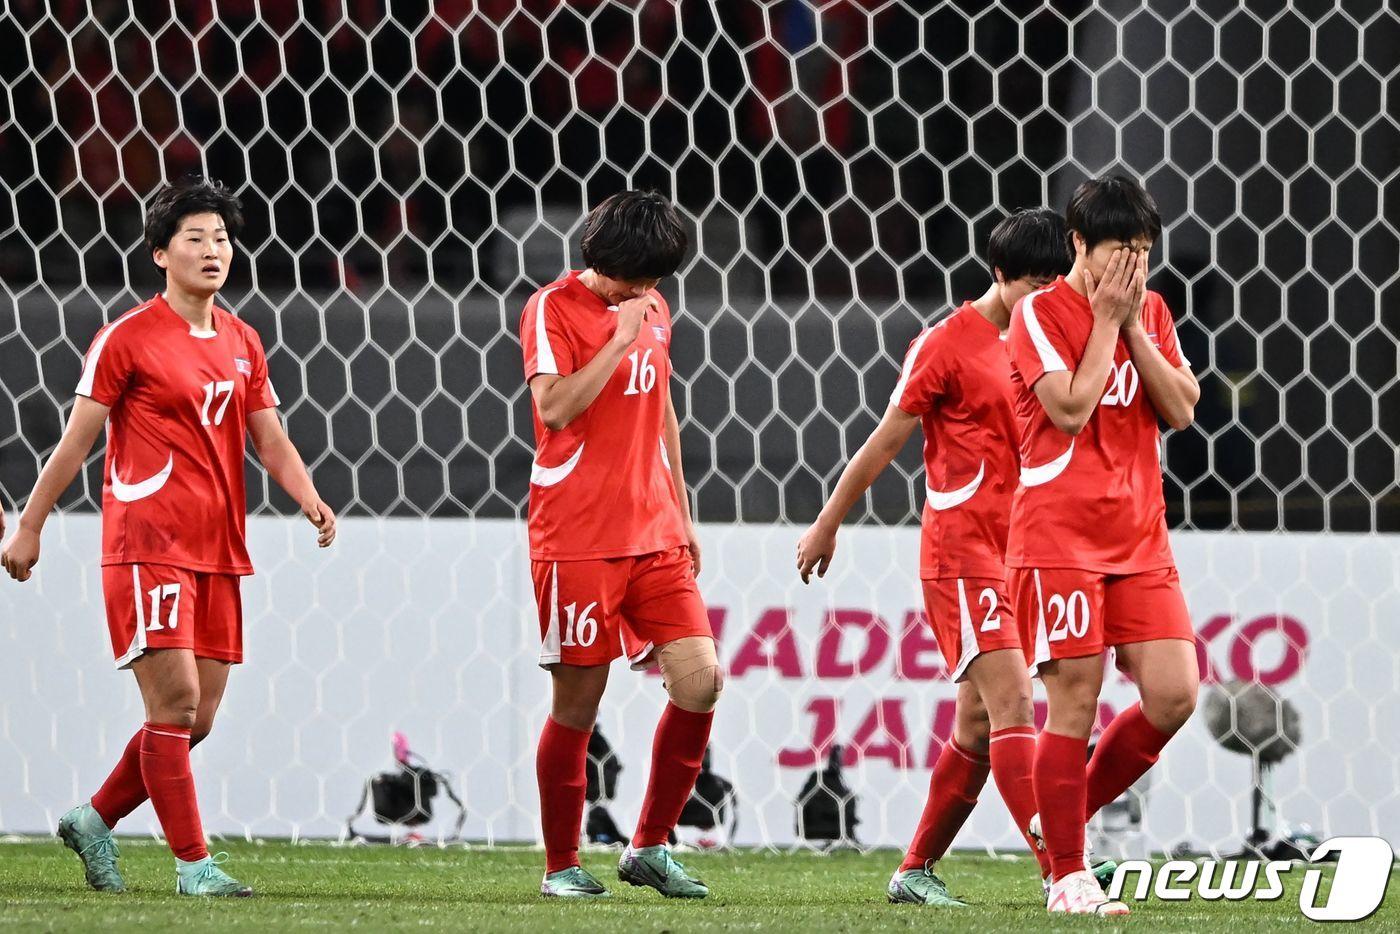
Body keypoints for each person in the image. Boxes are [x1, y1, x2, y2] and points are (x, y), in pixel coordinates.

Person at [0, 176, 336, 897]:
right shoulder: (127, 337)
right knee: (175, 702)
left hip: (218, 544)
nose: (213, 250)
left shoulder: (243, 339)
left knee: (198, 718)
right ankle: (194, 866)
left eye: (221, 238)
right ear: (160, 253)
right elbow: (76, 440)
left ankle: (93, 819)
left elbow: (268, 438)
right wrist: (31, 524)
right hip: (147, 539)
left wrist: (307, 494)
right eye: (196, 238)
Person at [796, 209, 1073, 905]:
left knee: (977, 723)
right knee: (1014, 703)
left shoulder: (1051, 342)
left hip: (1024, 552)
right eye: (1035, 285)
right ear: (1000, 275)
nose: (1047, 299)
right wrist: (828, 523)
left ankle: (913, 871)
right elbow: (886, 440)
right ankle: (1061, 872)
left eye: (1055, 284)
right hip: (963, 553)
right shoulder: (945, 344)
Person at [1005, 176, 1200, 915]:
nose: (1132, 267)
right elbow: (1071, 407)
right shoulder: (1037, 314)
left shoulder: (1149, 310)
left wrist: (1135, 328)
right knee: (1074, 704)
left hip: (1141, 537)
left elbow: (1182, 409)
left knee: (1175, 694)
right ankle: (1067, 877)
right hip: (1061, 539)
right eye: (1120, 250)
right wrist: (1106, 323)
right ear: (1077, 244)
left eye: (1143, 252)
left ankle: (1058, 824)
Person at [519, 190, 722, 899]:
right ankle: (560, 865)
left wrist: (683, 509)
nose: (650, 291)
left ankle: (650, 847)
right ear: (602, 260)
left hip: (654, 530)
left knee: (702, 682)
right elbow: (554, 407)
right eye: (640, 277)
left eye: (658, 279)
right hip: (576, 536)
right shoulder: (551, 309)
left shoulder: (653, 308)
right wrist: (617, 339)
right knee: (579, 702)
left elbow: (661, 403)